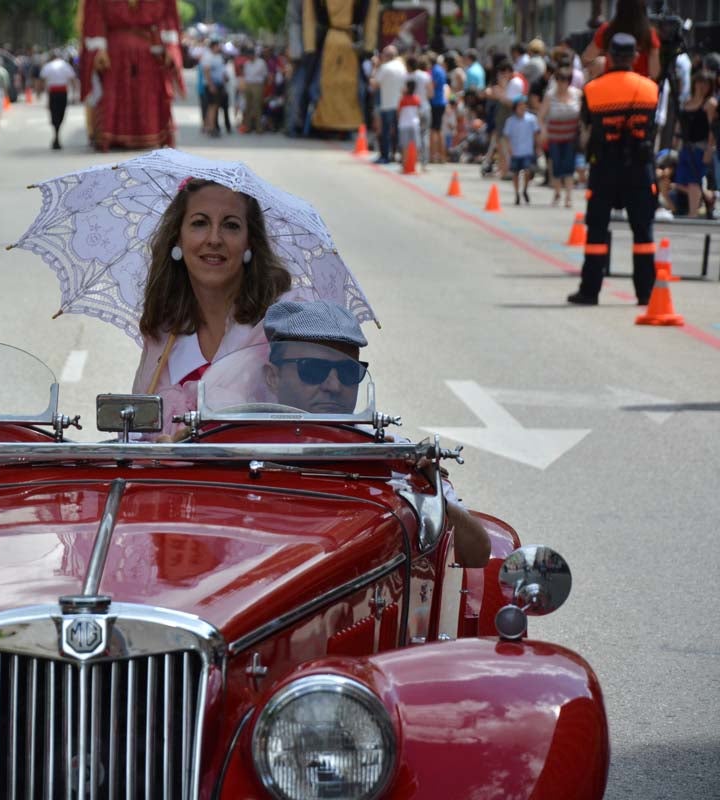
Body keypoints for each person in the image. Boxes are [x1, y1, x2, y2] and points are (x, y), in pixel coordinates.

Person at [261, 299, 492, 568]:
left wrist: (428, 487)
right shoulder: (232, 445)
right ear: (272, 377)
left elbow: (476, 554)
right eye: (312, 369)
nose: (334, 385)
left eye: (348, 373)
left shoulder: (392, 453)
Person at [132, 178, 295, 430]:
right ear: (178, 239)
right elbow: (138, 429)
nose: (214, 239)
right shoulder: (163, 331)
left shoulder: (283, 324)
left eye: (231, 226)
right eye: (199, 223)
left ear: (249, 243)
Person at [568, 34, 659, 306]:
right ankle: (646, 292)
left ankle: (590, 290)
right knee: (643, 233)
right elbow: (653, 126)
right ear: (634, 57)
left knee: (596, 231)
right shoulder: (650, 89)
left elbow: (585, 127)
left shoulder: (593, 89)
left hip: (604, 168)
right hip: (639, 171)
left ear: (609, 57)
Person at [80, 0, 183, 151]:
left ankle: (153, 135)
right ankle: (110, 136)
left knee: (149, 94)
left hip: (150, 54)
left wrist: (169, 47)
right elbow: (94, 17)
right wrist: (98, 49)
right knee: (113, 93)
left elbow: (169, 17)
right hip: (114, 55)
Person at [673, 71, 716, 218]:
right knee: (679, 181)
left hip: (700, 147)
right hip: (685, 146)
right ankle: (708, 196)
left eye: (706, 83)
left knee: (693, 180)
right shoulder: (687, 101)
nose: (702, 86)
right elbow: (680, 124)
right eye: (699, 82)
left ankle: (693, 213)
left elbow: (712, 128)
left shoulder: (710, 103)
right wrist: (675, 142)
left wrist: (710, 149)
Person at [582, 0, 661, 80]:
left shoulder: (606, 30)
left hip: (609, 83)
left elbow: (587, 58)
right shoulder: (649, 34)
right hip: (638, 86)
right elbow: (654, 73)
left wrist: (602, 62)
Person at [539, 66, 582, 207]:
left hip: (571, 136)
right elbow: (541, 116)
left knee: (569, 166)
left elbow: (583, 114)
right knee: (556, 165)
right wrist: (544, 131)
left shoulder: (576, 94)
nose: (562, 83)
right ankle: (557, 192)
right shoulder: (550, 96)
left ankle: (568, 197)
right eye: (559, 80)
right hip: (555, 136)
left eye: (565, 80)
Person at [372, 46, 407, 164]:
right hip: (399, 104)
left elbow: (374, 85)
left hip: (387, 104)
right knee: (396, 131)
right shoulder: (402, 67)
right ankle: (395, 154)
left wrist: (375, 68)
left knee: (386, 131)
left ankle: (385, 156)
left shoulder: (385, 68)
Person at [503, 97, 539, 204]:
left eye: (524, 105)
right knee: (515, 174)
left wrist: (537, 147)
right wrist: (509, 148)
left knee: (527, 171)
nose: (522, 107)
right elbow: (507, 136)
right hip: (515, 151)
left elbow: (536, 133)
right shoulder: (510, 121)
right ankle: (517, 193)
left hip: (527, 151)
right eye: (520, 105)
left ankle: (525, 189)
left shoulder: (531, 119)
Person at [38, 51, 77, 149]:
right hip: (61, 93)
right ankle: (57, 135)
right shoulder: (66, 66)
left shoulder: (48, 66)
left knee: (54, 113)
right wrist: (75, 94)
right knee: (60, 113)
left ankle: (56, 134)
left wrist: (39, 92)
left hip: (54, 93)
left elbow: (42, 79)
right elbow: (73, 79)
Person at [397, 79, 423, 164]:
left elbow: (399, 111)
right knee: (416, 145)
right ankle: (415, 162)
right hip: (414, 124)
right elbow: (419, 111)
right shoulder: (417, 98)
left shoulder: (403, 99)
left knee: (405, 145)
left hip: (404, 124)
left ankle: (405, 163)